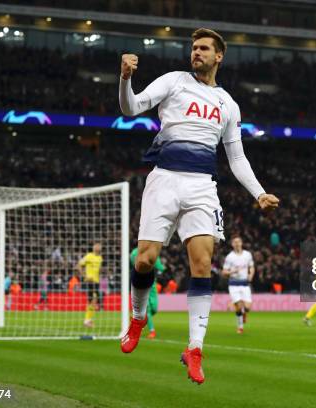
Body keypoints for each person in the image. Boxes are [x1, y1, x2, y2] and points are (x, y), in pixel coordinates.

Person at [118, 28, 279, 384]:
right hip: (164, 179)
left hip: (202, 186)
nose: (197, 52)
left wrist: (259, 193)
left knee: (203, 264)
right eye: (194, 48)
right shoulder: (174, 81)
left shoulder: (228, 104)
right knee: (144, 258)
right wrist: (125, 79)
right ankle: (138, 318)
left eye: (204, 48)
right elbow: (130, 108)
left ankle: (195, 348)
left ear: (219, 56)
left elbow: (237, 158)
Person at [221, 236, 255, 334]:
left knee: (248, 307)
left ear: (241, 243)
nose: (237, 243)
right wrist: (232, 271)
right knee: (239, 307)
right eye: (235, 242)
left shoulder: (247, 255)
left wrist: (251, 275)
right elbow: (224, 272)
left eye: (238, 241)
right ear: (232, 244)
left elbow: (252, 267)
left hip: (245, 284)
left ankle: (244, 313)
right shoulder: (229, 257)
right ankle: (240, 327)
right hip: (234, 284)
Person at [130, 247, 164, 339]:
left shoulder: (151, 250)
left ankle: (142, 319)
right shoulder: (134, 253)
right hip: (140, 282)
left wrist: (163, 268)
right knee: (147, 309)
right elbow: (133, 265)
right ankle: (152, 331)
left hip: (152, 282)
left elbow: (159, 266)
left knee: (154, 309)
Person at [78, 243, 103, 328]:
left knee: (93, 301)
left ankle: (88, 319)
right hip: (89, 282)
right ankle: (87, 320)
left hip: (96, 282)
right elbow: (79, 265)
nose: (98, 247)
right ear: (93, 248)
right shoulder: (89, 256)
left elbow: (99, 271)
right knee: (93, 300)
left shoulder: (100, 258)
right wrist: (85, 276)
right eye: (96, 246)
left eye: (99, 246)